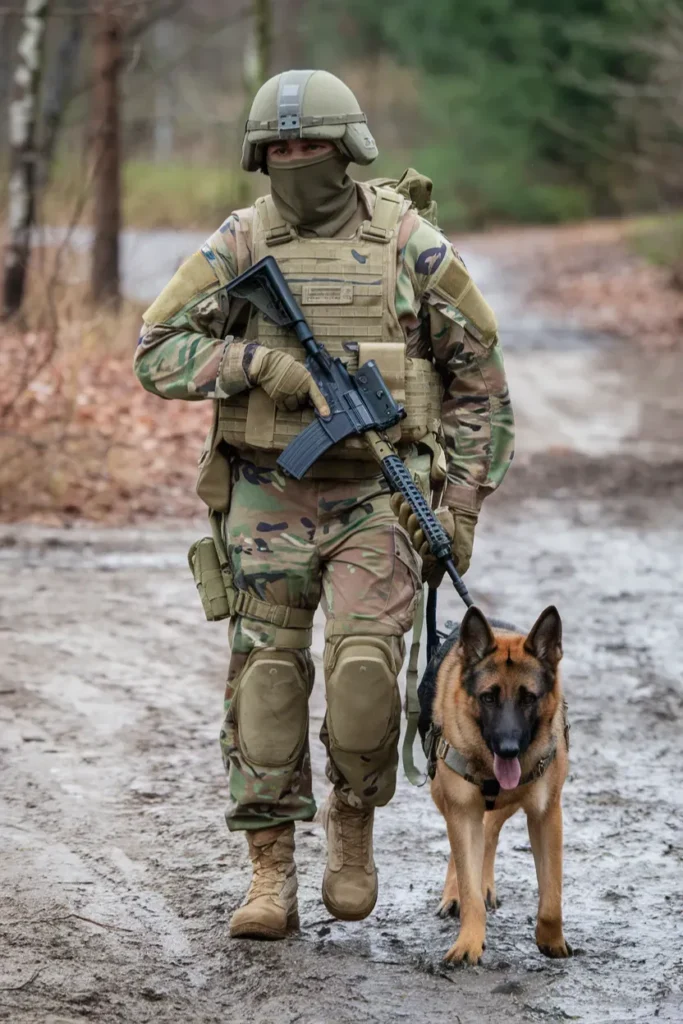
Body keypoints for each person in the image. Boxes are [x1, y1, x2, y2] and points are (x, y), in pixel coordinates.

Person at [134, 69, 514, 940]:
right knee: (265, 683)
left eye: (310, 146)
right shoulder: (241, 239)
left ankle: (353, 823)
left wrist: (458, 504)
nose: (295, 160)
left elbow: (480, 387)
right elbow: (155, 349)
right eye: (280, 149)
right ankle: (269, 873)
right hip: (264, 494)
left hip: (377, 498)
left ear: (348, 151)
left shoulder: (409, 243)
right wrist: (257, 366)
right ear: (259, 157)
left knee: (364, 678)